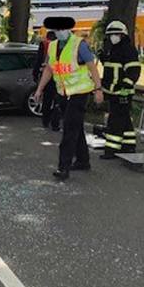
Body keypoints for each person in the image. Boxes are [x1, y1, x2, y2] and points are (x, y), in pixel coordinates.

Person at [34, 17, 104, 180]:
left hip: (79, 93)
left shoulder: (79, 45)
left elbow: (92, 67)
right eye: (57, 30)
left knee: (69, 129)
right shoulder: (52, 47)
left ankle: (63, 167)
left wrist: (98, 88)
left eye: (62, 29)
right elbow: (49, 70)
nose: (59, 32)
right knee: (76, 127)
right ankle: (83, 160)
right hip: (63, 93)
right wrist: (39, 89)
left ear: (68, 30)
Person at [98, 21, 141, 159]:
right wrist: (104, 58)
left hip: (123, 92)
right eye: (111, 35)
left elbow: (134, 71)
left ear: (122, 35)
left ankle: (111, 150)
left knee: (115, 121)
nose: (113, 37)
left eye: (115, 34)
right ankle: (129, 146)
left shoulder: (128, 50)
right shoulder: (114, 50)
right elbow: (112, 69)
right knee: (124, 119)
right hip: (113, 92)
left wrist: (125, 87)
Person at [33, 30, 60, 131]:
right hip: (59, 76)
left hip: (46, 76)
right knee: (57, 100)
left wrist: (35, 74)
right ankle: (55, 123)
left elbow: (38, 60)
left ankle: (45, 121)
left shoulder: (44, 44)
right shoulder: (60, 46)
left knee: (47, 100)